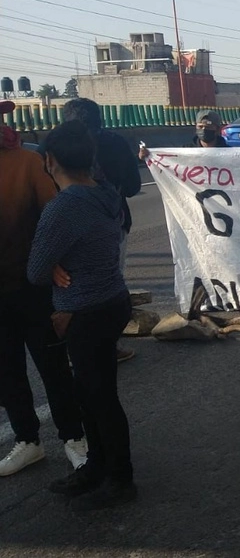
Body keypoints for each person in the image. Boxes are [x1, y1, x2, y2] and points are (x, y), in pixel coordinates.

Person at [28, 120, 136, 510]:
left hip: (85, 311)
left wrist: (53, 265)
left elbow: (35, 270)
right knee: (92, 393)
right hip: (112, 301)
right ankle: (97, 465)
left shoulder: (64, 207)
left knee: (99, 397)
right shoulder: (105, 192)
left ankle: (119, 478)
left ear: (50, 161)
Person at [0, 101, 88, 478]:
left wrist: (51, 262)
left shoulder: (27, 162)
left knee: (53, 367)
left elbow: (54, 217)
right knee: (7, 371)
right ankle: (27, 440)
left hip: (33, 286)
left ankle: (73, 437)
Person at [61, 98, 141, 363]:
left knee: (68, 285)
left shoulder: (53, 146)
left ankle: (71, 346)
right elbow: (132, 186)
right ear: (100, 119)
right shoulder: (115, 143)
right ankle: (107, 346)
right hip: (112, 224)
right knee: (109, 282)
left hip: (65, 225)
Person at [137, 109, 227, 161]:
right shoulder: (185, 150)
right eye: (200, 126)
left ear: (217, 129)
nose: (203, 130)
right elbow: (169, 161)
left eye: (208, 127)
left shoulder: (228, 152)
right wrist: (148, 155)